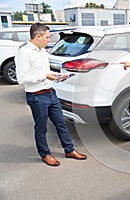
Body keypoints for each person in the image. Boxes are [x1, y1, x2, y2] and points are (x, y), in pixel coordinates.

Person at [15, 22, 87, 167]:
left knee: (61, 124)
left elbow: (43, 71)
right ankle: (45, 154)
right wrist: (45, 76)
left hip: (50, 93)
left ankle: (69, 150)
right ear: (38, 36)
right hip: (37, 96)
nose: (49, 40)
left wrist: (56, 76)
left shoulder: (42, 50)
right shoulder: (24, 53)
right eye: (47, 37)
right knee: (41, 127)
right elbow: (21, 78)